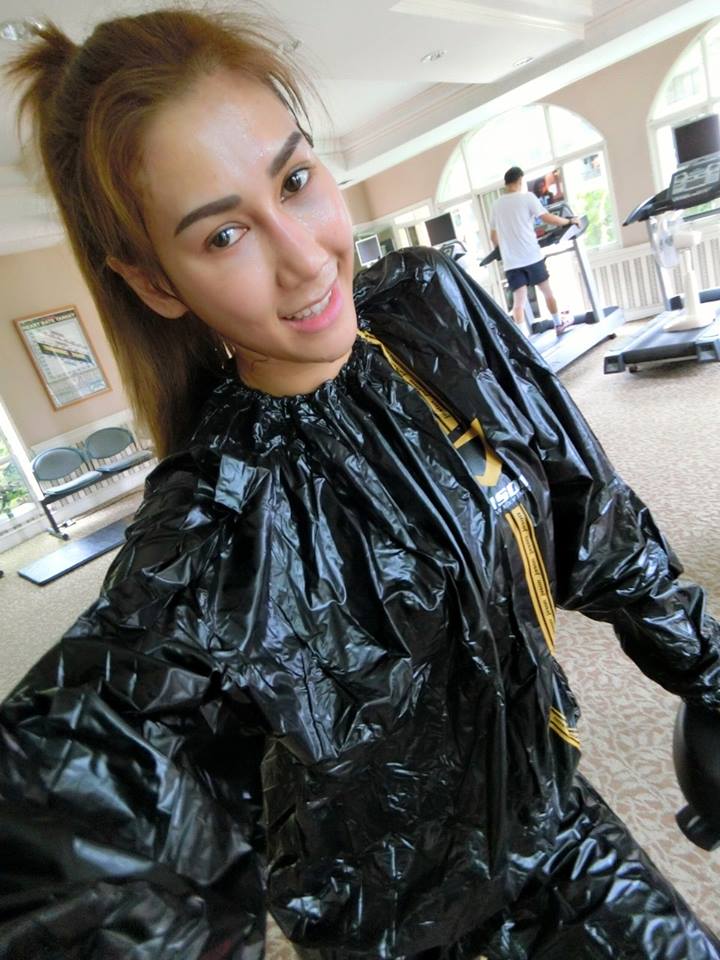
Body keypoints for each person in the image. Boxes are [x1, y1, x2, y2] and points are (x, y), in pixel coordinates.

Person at [0, 10, 719, 960]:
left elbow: (594, 519)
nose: (305, 259)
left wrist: (707, 669)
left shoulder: (429, 307)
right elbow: (79, 803)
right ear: (157, 283)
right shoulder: (214, 527)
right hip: (400, 933)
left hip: (560, 823)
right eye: (224, 235)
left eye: (295, 181)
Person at [490, 165, 579, 333]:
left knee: (518, 303)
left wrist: (503, 251)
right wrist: (569, 221)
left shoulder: (496, 205)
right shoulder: (527, 197)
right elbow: (548, 218)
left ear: (506, 183)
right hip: (531, 256)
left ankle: (524, 339)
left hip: (512, 263)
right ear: (520, 180)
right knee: (548, 293)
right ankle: (558, 324)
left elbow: (493, 236)